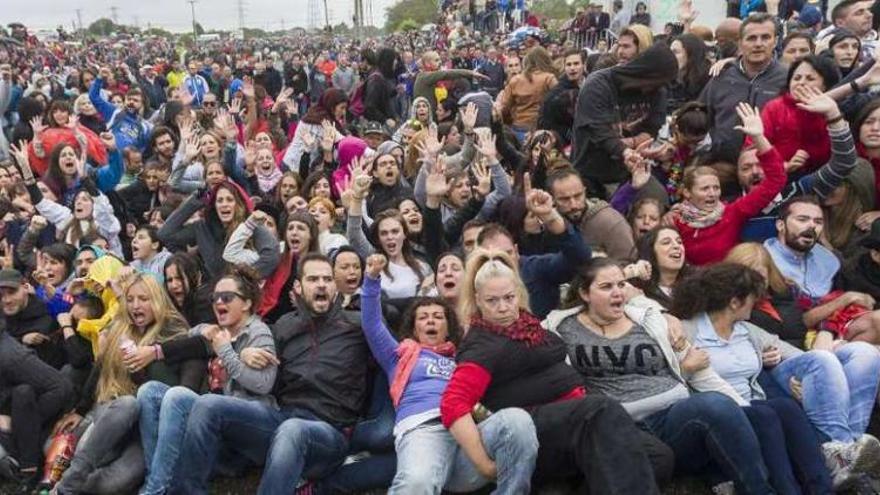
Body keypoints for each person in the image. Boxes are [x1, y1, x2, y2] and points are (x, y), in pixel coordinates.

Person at [440, 250, 673, 492]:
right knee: (600, 409)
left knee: (658, 456)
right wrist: (485, 466)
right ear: (478, 299)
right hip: (535, 429)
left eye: (509, 298)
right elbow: (453, 403)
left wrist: (662, 315)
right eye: (492, 301)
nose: (503, 307)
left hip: (574, 424)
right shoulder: (481, 344)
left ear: (518, 294)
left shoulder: (527, 324)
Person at [547, 257, 777, 494]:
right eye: (606, 287)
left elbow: (703, 375)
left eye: (621, 284)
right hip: (619, 426)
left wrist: (742, 406)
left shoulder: (649, 320)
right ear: (585, 293)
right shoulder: (561, 328)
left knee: (725, 406)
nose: (617, 293)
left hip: (671, 417)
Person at [170, 254, 371, 494]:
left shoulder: (358, 325)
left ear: (335, 287)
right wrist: (242, 353)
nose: (321, 284)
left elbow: (395, 342)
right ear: (298, 287)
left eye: (327, 279)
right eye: (313, 279)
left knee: (293, 430)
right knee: (207, 405)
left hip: (329, 433)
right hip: (280, 418)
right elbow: (220, 338)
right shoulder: (285, 325)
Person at [673, 263, 880, 489]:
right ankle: (833, 459)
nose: (757, 303)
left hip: (754, 401)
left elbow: (802, 357)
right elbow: (673, 375)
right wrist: (687, 366)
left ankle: (838, 457)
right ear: (734, 302)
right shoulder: (688, 331)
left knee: (790, 400)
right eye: (753, 298)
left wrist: (802, 368)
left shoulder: (747, 331)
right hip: (720, 413)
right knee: (770, 412)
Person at [362, 252, 538, 492]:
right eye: (423, 318)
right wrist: (372, 278)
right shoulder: (398, 356)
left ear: (449, 325)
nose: (431, 321)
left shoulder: (466, 355)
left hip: (470, 437)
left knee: (518, 422)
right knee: (416, 483)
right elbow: (372, 324)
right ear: (414, 327)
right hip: (424, 432)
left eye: (438, 316)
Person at [51, 273, 200, 495]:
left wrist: (148, 360)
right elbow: (99, 368)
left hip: (147, 430)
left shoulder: (176, 333)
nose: (135, 306)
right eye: (130, 299)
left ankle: (69, 479)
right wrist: (81, 410)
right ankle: (67, 485)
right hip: (114, 413)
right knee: (126, 406)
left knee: (116, 483)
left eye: (143, 299)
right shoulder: (119, 328)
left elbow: (184, 386)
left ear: (157, 300)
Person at [135, 265, 276, 495]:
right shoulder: (220, 331)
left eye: (227, 297)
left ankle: (154, 491)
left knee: (177, 395)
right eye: (215, 298)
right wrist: (205, 330)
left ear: (247, 303)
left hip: (247, 419)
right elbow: (190, 334)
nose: (219, 302)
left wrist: (229, 353)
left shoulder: (258, 332)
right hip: (211, 416)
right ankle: (156, 478)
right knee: (149, 391)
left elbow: (263, 384)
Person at [673, 103, 785, 265]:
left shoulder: (733, 213)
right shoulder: (675, 220)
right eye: (705, 189)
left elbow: (776, 179)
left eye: (716, 188)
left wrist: (759, 138)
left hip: (727, 282)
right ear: (687, 193)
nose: (712, 193)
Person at [572, 43, 677, 192]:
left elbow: (652, 126)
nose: (657, 88)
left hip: (632, 171)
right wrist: (627, 151)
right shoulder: (598, 85)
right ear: (645, 73)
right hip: (590, 172)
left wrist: (642, 147)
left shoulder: (658, 91)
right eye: (656, 82)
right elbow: (598, 131)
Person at [701, 13, 786, 161]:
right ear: (740, 43)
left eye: (765, 37)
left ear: (775, 41)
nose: (758, 44)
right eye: (751, 38)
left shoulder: (788, 78)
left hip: (771, 167)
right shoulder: (722, 75)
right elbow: (701, 114)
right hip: (723, 166)